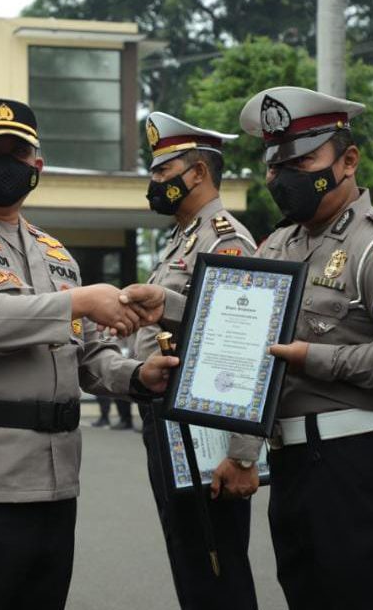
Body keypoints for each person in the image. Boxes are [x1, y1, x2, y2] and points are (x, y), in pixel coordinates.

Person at [123, 87, 373, 610]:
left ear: (348, 160)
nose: (284, 177)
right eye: (275, 165)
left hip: (370, 465)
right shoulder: (280, 246)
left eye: (302, 161)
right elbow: (243, 329)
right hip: (298, 471)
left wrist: (316, 358)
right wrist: (165, 303)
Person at [0, 98, 176, 610]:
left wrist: (138, 376)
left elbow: (88, 355)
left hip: (50, 486)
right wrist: (81, 299)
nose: (5, 163)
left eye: (18, 153)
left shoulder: (54, 252)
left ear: (37, 167)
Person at [134, 111, 261, 609]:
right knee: (192, 565)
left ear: (199, 173)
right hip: (171, 423)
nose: (153, 182)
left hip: (206, 432)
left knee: (216, 570)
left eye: (163, 172)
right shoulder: (183, 240)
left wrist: (242, 452)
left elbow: (246, 341)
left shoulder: (224, 239)